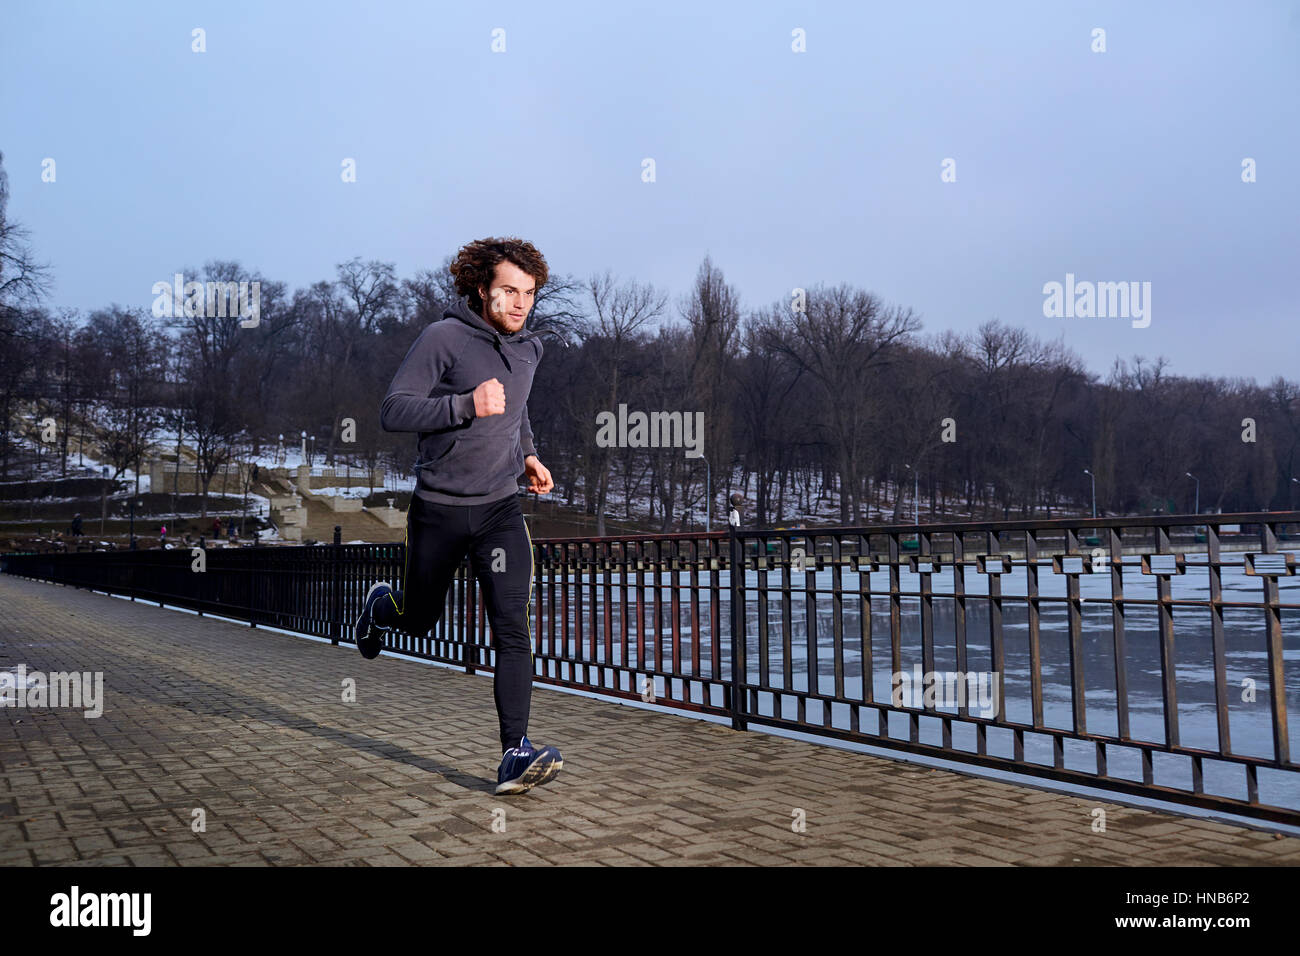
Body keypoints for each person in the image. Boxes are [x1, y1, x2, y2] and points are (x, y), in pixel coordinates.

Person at [354, 237, 561, 795]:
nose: (520, 304)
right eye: (509, 292)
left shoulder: (529, 350)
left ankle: (515, 753)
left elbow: (516, 411)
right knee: (421, 621)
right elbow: (393, 409)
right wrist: (465, 404)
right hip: (439, 511)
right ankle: (382, 608)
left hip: (498, 509)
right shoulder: (443, 338)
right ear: (481, 289)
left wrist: (528, 455)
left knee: (512, 627)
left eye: (529, 294)